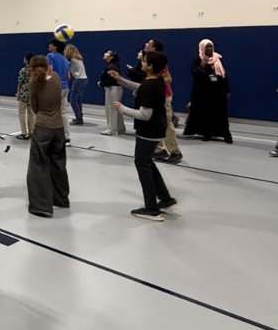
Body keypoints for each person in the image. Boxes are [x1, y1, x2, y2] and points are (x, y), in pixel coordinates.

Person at [112, 51, 178, 222]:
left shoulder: (150, 86)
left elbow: (145, 114)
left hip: (149, 131)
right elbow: (139, 87)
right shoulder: (156, 81)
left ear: (151, 66)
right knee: (148, 162)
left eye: (144, 61)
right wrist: (120, 79)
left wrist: (121, 108)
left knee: (142, 165)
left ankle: (151, 208)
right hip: (157, 129)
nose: (142, 62)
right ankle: (165, 198)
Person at [26, 55, 69, 217]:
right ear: (47, 66)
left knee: (38, 166)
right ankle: (61, 199)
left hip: (43, 128)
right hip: (59, 128)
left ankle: (41, 206)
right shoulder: (57, 78)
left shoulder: (35, 84)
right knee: (58, 164)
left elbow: (35, 107)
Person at [183, 39, 232, 143]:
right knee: (207, 114)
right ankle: (207, 133)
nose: (209, 49)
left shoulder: (218, 59)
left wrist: (227, 89)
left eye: (210, 46)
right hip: (204, 92)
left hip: (218, 92)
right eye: (207, 47)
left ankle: (225, 134)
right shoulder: (197, 61)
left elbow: (223, 75)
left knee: (221, 114)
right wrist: (203, 64)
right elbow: (196, 74)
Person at [47, 40, 72, 145]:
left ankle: (52, 137)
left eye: (51, 44)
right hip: (65, 88)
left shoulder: (50, 56)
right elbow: (68, 76)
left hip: (55, 88)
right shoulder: (65, 59)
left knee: (51, 113)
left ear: (55, 47)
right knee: (64, 114)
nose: (49, 45)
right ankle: (66, 137)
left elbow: (50, 72)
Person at [99, 50, 125, 135]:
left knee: (112, 109)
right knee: (116, 109)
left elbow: (111, 80)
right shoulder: (112, 65)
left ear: (111, 56)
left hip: (113, 89)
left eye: (107, 53)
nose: (104, 53)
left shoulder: (112, 67)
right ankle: (120, 128)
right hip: (115, 89)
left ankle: (112, 130)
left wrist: (101, 83)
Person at [64, 44, 88, 125]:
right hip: (84, 79)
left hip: (79, 80)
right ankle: (79, 117)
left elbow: (65, 64)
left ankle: (78, 118)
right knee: (78, 99)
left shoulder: (72, 60)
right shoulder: (79, 59)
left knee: (72, 100)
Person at [16, 52, 35, 140]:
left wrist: (18, 92)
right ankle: (32, 132)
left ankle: (24, 133)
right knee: (32, 114)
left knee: (22, 113)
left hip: (24, 93)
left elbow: (20, 82)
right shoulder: (36, 70)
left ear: (27, 60)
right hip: (33, 94)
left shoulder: (23, 70)